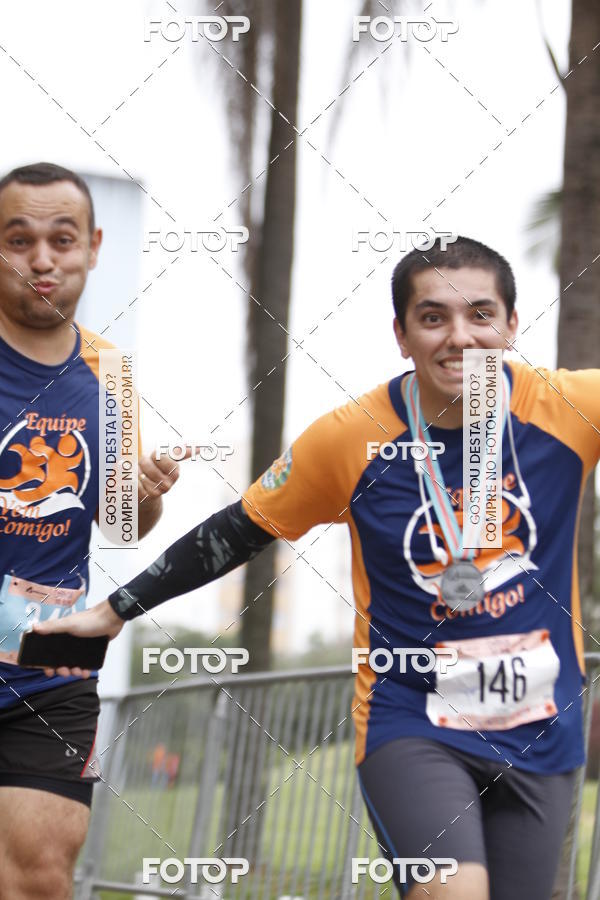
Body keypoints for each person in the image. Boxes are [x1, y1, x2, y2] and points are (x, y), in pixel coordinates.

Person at [37, 236, 597, 900]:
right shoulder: (349, 439)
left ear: (511, 323)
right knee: (454, 892)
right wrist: (114, 610)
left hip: (542, 731)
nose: (460, 337)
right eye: (433, 317)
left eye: (481, 314)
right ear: (402, 335)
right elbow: (237, 531)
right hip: (413, 721)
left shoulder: (569, 409)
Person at [0, 162, 186, 900]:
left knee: (42, 875)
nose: (42, 260)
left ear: (92, 247)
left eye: (62, 239)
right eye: (19, 240)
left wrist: (146, 495)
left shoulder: (110, 372)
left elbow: (121, 524)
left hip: (50, 666)